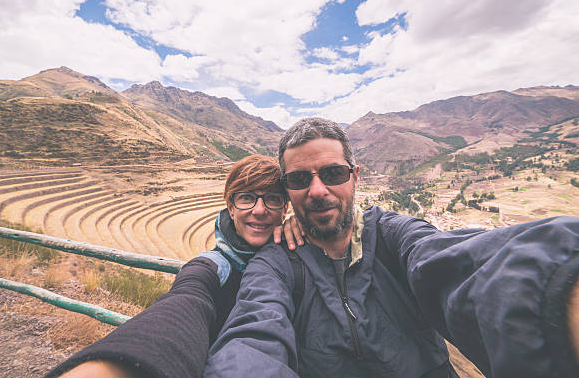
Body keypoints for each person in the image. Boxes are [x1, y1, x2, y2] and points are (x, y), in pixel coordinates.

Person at [204, 117, 579, 378]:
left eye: (333, 174)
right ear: (288, 191)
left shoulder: (394, 236)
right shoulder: (275, 265)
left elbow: (460, 264)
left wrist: (557, 283)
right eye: (301, 179)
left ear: (355, 177)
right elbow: (253, 333)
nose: (318, 190)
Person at [46, 154, 290, 378]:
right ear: (231, 207)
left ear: (285, 209)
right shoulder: (213, 267)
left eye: (272, 199)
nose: (259, 210)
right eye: (246, 198)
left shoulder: (301, 254)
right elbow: (186, 299)